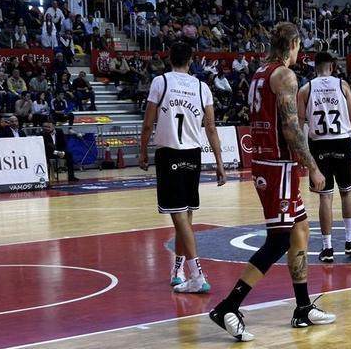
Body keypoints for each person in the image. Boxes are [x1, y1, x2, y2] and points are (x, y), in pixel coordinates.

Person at [209, 22, 334, 342]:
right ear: (292, 43)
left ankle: (303, 306)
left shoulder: (259, 73)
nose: (299, 51)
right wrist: (314, 167)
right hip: (278, 166)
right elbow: (292, 129)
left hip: (268, 162)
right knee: (278, 241)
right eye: (298, 45)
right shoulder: (285, 76)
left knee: (301, 229)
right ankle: (227, 306)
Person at [139, 42, 226, 293]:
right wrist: (219, 163)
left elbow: (148, 123)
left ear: (169, 60)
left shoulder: (160, 82)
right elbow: (210, 128)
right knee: (184, 217)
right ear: (191, 61)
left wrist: (143, 151)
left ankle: (197, 274)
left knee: (179, 216)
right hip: (193, 155)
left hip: (169, 153)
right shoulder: (202, 87)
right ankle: (177, 270)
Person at [296, 51, 351, 262]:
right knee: (347, 193)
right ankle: (350, 242)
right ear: (333, 67)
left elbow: (298, 123)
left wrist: (300, 151)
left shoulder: (305, 89)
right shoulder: (342, 86)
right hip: (342, 141)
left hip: (318, 144)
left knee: (325, 196)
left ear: (314, 68)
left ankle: (327, 248)